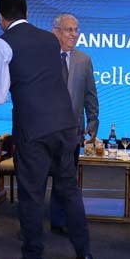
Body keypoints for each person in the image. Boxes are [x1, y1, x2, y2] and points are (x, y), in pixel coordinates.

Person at [0, 0, 93, 259]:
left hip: (33, 129)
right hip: (65, 125)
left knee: (32, 195)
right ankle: (84, 253)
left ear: (0, 17)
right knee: (69, 191)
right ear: (26, 13)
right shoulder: (50, 39)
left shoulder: (1, 43)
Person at [49, 13, 99, 235]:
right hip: (45, 130)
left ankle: (59, 221)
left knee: (66, 177)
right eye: (69, 29)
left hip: (72, 131)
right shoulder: (44, 57)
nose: (74, 34)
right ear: (56, 31)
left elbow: (90, 94)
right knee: (38, 178)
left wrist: (93, 120)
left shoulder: (83, 60)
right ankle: (30, 224)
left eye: (76, 30)